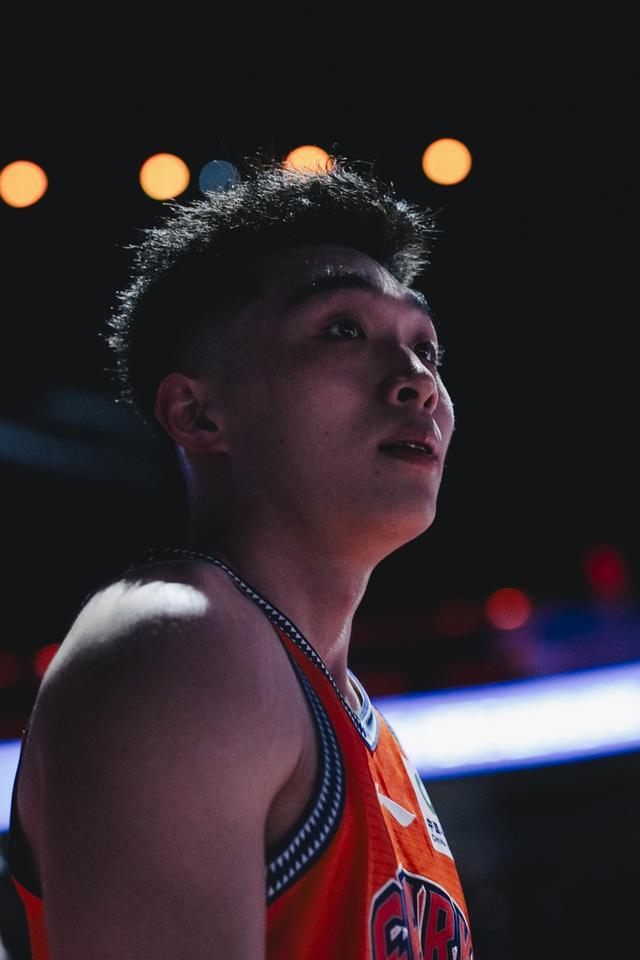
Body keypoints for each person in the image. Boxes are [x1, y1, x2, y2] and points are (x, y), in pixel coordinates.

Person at [7, 156, 474, 959]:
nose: (418, 382)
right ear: (197, 413)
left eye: (427, 349)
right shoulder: (180, 640)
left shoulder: (340, 707)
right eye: (343, 329)